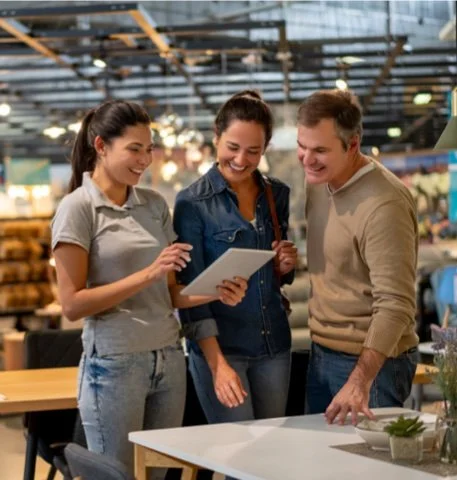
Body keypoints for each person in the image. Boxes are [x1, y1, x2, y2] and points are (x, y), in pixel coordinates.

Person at [51, 99, 247, 475]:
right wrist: (148, 273)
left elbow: (172, 294)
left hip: (169, 360)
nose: (145, 160)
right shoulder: (77, 208)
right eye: (134, 149)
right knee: (117, 474)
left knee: (159, 474)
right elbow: (72, 305)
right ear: (101, 146)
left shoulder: (155, 204)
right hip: (113, 366)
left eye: (149, 149)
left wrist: (217, 290)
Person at [173, 90, 298, 428]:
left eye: (253, 151)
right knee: (238, 457)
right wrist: (217, 364)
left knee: (271, 456)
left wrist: (284, 267)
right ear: (216, 137)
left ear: (265, 149)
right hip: (222, 349)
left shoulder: (277, 195)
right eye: (233, 147)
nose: (241, 159)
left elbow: (275, 277)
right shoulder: (192, 204)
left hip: (274, 345)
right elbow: (188, 295)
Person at [297, 89, 419, 425]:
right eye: (302, 146)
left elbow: (396, 304)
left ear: (353, 144)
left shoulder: (384, 204)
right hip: (321, 353)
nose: (307, 159)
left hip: (372, 366)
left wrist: (359, 380)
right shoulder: (319, 182)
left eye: (320, 150)